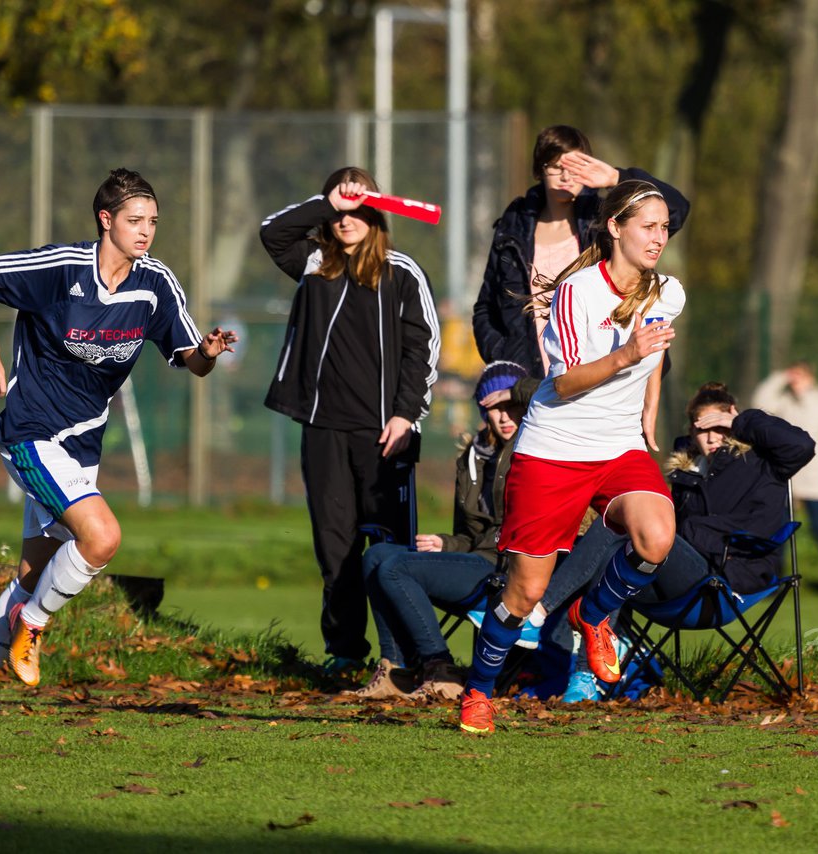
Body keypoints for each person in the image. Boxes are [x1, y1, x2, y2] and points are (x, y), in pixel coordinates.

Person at [0, 168, 239, 712]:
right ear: (106, 221)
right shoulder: (60, 269)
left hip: (82, 447)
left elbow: (189, 362)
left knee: (34, 574)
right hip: (32, 433)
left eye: (152, 221)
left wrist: (209, 353)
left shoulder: (154, 285)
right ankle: (32, 624)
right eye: (134, 221)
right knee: (102, 538)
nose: (146, 231)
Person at [458, 179, 686, 734]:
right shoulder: (578, 292)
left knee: (656, 535)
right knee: (526, 591)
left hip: (618, 447)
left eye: (664, 228)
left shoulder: (669, 290)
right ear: (615, 227)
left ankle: (593, 612)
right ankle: (479, 692)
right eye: (647, 226)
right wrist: (629, 352)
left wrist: (650, 406)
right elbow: (562, 385)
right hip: (554, 449)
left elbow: (654, 351)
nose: (659, 237)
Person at [260, 167, 440, 675]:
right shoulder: (316, 265)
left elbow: (422, 348)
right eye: (340, 208)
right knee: (335, 547)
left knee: (389, 551)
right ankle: (344, 653)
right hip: (322, 429)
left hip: (386, 433)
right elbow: (273, 233)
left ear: (378, 211)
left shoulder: (402, 271)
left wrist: (406, 414)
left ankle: (403, 656)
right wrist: (328, 202)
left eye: (359, 206)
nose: (347, 218)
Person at [556, 381, 815, 701]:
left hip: (726, 581)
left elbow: (802, 446)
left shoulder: (762, 462)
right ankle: (589, 671)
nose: (712, 437)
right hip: (680, 579)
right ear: (691, 433)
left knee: (629, 527)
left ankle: (547, 610)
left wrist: (742, 421)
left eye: (719, 427)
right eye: (703, 429)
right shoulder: (685, 475)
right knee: (622, 539)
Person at [349, 361, 534, 702]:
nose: (504, 417)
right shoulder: (472, 457)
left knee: (396, 568)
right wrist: (444, 543)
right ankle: (397, 671)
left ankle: (440, 667)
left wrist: (518, 390)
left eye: (512, 406)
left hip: (506, 569)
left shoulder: (537, 447)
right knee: (375, 556)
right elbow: (469, 534)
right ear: (482, 410)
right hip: (476, 558)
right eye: (495, 408)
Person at [471, 124, 690, 379]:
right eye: (556, 167)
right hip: (531, 380)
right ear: (539, 171)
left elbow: (675, 210)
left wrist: (616, 178)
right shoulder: (513, 226)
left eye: (574, 166)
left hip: (605, 371)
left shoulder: (603, 219)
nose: (566, 176)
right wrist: (508, 363)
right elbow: (486, 308)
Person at [751, 361, 818, 599]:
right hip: (789, 480)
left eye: (801, 376)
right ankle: (774, 583)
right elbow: (760, 402)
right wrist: (780, 377)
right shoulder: (784, 402)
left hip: (816, 482)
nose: (797, 381)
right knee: (779, 532)